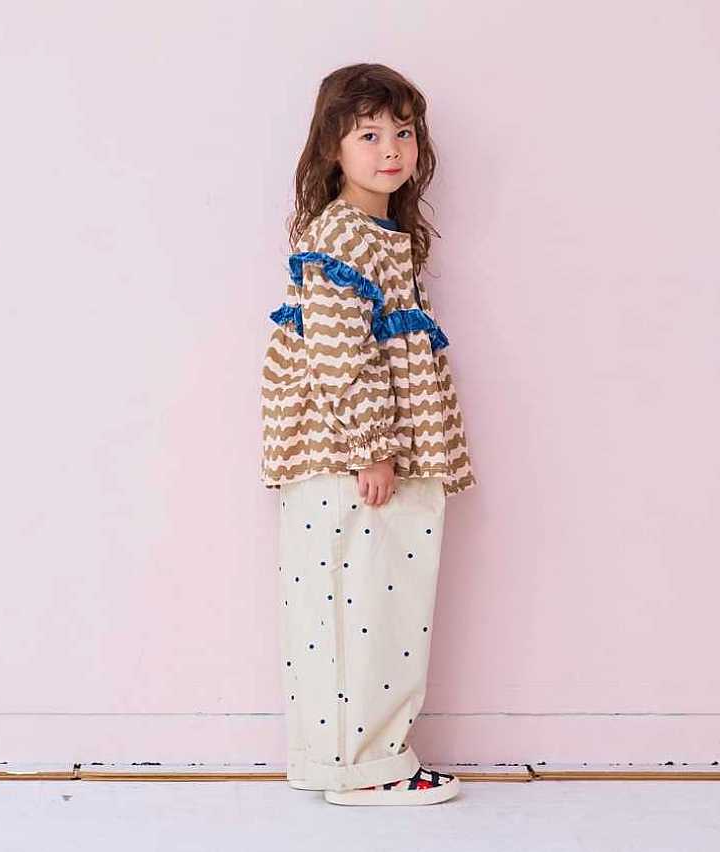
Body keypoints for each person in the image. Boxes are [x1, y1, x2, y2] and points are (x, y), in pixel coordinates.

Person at [259, 62, 477, 806]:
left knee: (359, 606)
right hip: (355, 459)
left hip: (367, 454)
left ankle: (336, 760)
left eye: (403, 133)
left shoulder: (381, 237)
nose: (391, 150)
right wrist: (372, 448)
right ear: (333, 146)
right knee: (368, 609)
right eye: (369, 134)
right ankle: (368, 765)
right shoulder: (341, 238)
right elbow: (339, 352)